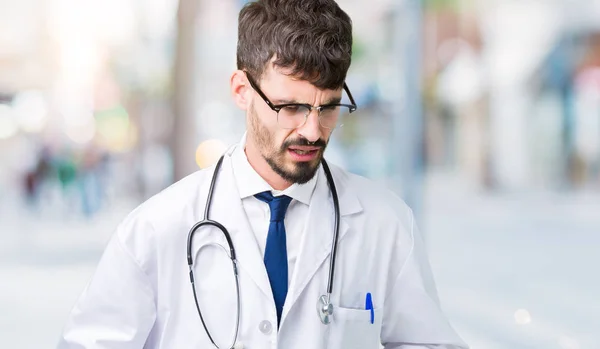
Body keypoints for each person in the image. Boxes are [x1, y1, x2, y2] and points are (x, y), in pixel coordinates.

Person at [57, 1, 468, 348]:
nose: (312, 130)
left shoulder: (386, 224)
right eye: (290, 107)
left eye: (328, 107)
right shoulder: (156, 228)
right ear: (241, 90)